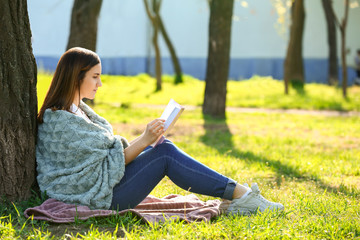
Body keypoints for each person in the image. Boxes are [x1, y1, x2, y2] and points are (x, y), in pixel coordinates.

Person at [36, 47, 284, 215]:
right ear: (75, 78)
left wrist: (148, 140)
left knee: (163, 148)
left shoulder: (77, 110)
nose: (100, 84)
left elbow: (105, 160)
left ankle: (239, 196)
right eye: (95, 77)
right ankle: (243, 197)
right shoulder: (60, 120)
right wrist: (144, 139)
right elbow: (99, 168)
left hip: (106, 186)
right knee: (164, 153)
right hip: (100, 197)